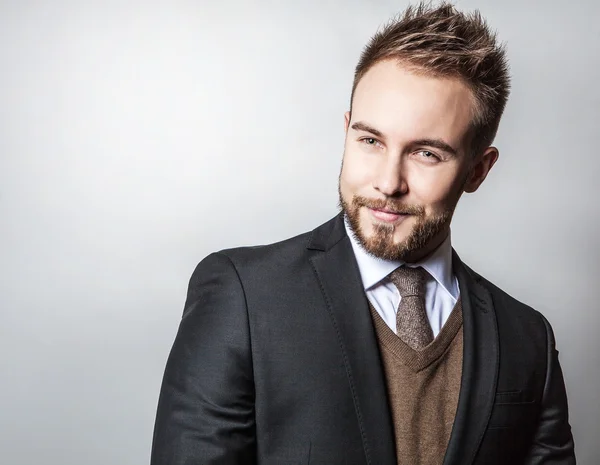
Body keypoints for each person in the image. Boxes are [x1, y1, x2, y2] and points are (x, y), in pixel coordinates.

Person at [150, 3, 575, 464]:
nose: (388, 183)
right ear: (347, 129)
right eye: (370, 141)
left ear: (478, 169)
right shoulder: (244, 297)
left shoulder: (526, 338)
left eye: (426, 154)